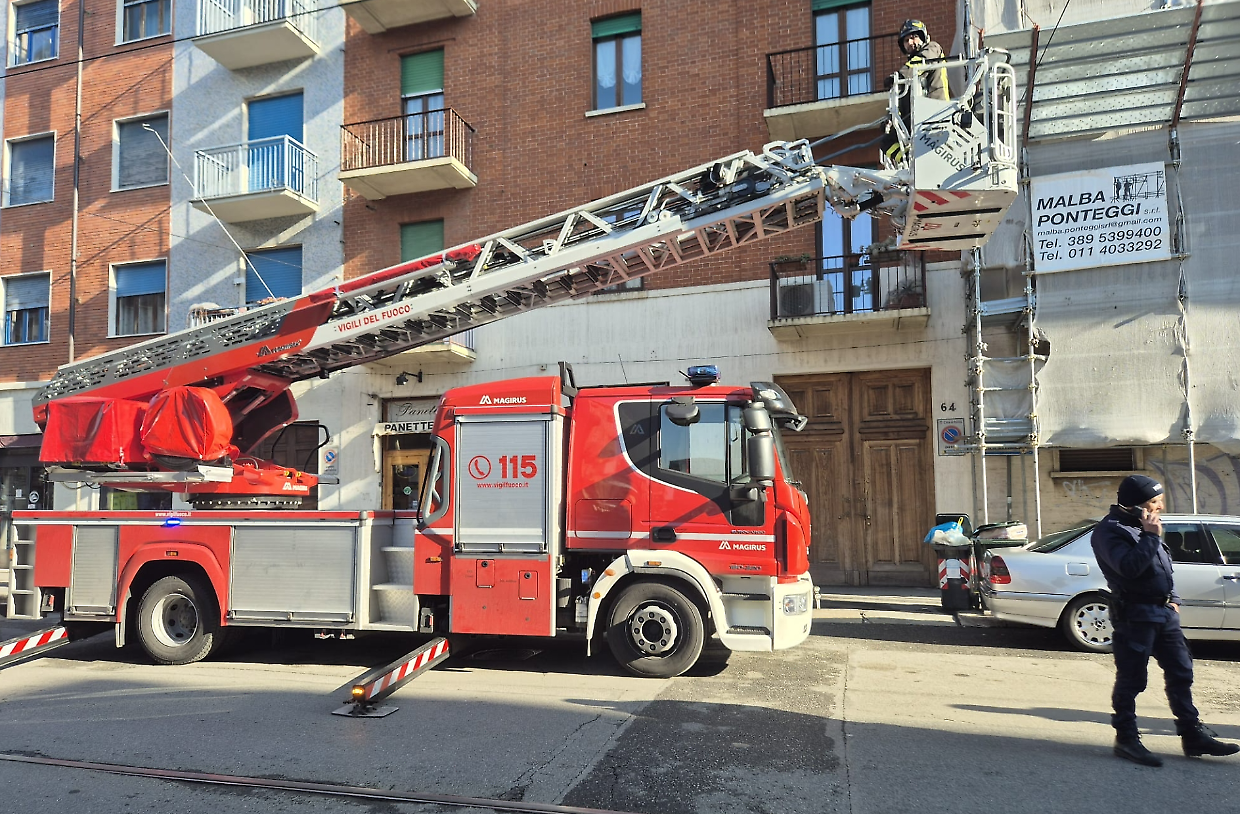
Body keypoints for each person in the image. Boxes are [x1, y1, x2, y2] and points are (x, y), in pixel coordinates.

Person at [1091, 475, 1240, 767]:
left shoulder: (1145, 528)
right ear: (1134, 505)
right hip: (1135, 615)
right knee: (1133, 678)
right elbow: (1129, 568)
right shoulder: (1110, 532)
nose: (1159, 507)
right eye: (1153, 502)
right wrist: (1149, 536)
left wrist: (1173, 599)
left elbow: (1161, 568)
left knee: (1181, 670)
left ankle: (1192, 734)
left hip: (1163, 614)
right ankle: (1126, 738)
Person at [882, 20, 950, 163]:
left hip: (935, 111)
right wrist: (890, 119)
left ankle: (915, 161)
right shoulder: (908, 71)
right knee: (887, 142)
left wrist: (899, 76)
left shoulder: (933, 48)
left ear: (923, 37)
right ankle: (910, 160)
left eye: (913, 37)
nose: (910, 42)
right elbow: (901, 99)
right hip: (916, 117)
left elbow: (922, 62)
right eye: (906, 40)